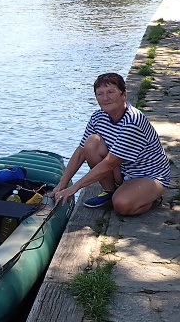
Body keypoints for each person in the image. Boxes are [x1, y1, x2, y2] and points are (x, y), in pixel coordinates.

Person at [51, 72, 169, 216]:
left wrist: (73, 188)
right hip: (123, 170)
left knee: (121, 205)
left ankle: (151, 198)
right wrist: (62, 184)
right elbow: (81, 152)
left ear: (123, 94)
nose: (105, 98)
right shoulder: (97, 117)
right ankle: (110, 191)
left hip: (148, 175)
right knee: (91, 143)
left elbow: (109, 164)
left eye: (111, 92)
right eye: (100, 94)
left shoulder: (133, 121)